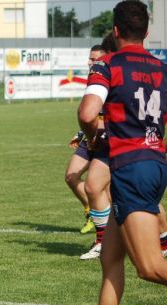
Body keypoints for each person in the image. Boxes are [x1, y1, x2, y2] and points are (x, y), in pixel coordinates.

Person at [66, 0, 167, 305]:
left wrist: (94, 138)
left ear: (116, 31)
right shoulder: (162, 68)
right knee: (111, 260)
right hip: (154, 164)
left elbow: (87, 112)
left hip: (130, 169)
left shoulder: (108, 65)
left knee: (151, 268)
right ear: (147, 31)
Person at [64, 45, 110, 241]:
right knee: (70, 176)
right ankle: (91, 211)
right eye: (90, 59)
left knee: (105, 190)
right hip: (89, 137)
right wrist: (81, 133)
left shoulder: (109, 77)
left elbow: (105, 115)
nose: (91, 62)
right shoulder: (94, 78)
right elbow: (91, 114)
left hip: (104, 139)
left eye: (95, 59)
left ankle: (106, 236)